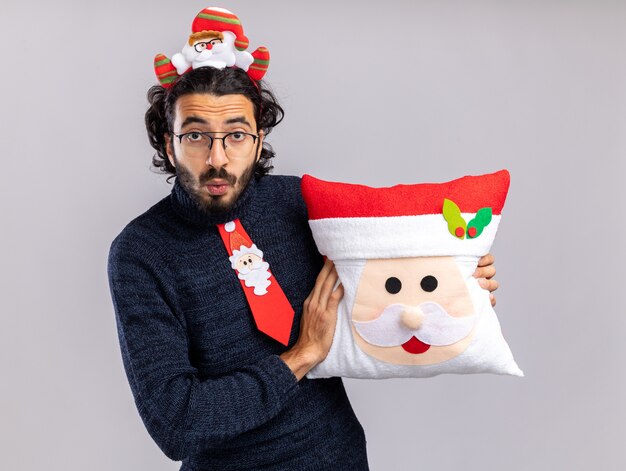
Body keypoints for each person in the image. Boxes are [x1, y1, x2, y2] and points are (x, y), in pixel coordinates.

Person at [107, 10, 499, 471]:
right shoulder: (140, 253)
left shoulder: (300, 202)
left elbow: (376, 291)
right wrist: (300, 357)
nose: (217, 158)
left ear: (259, 138)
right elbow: (178, 424)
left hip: (340, 458)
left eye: (235, 135)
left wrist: (456, 280)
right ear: (168, 142)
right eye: (195, 135)